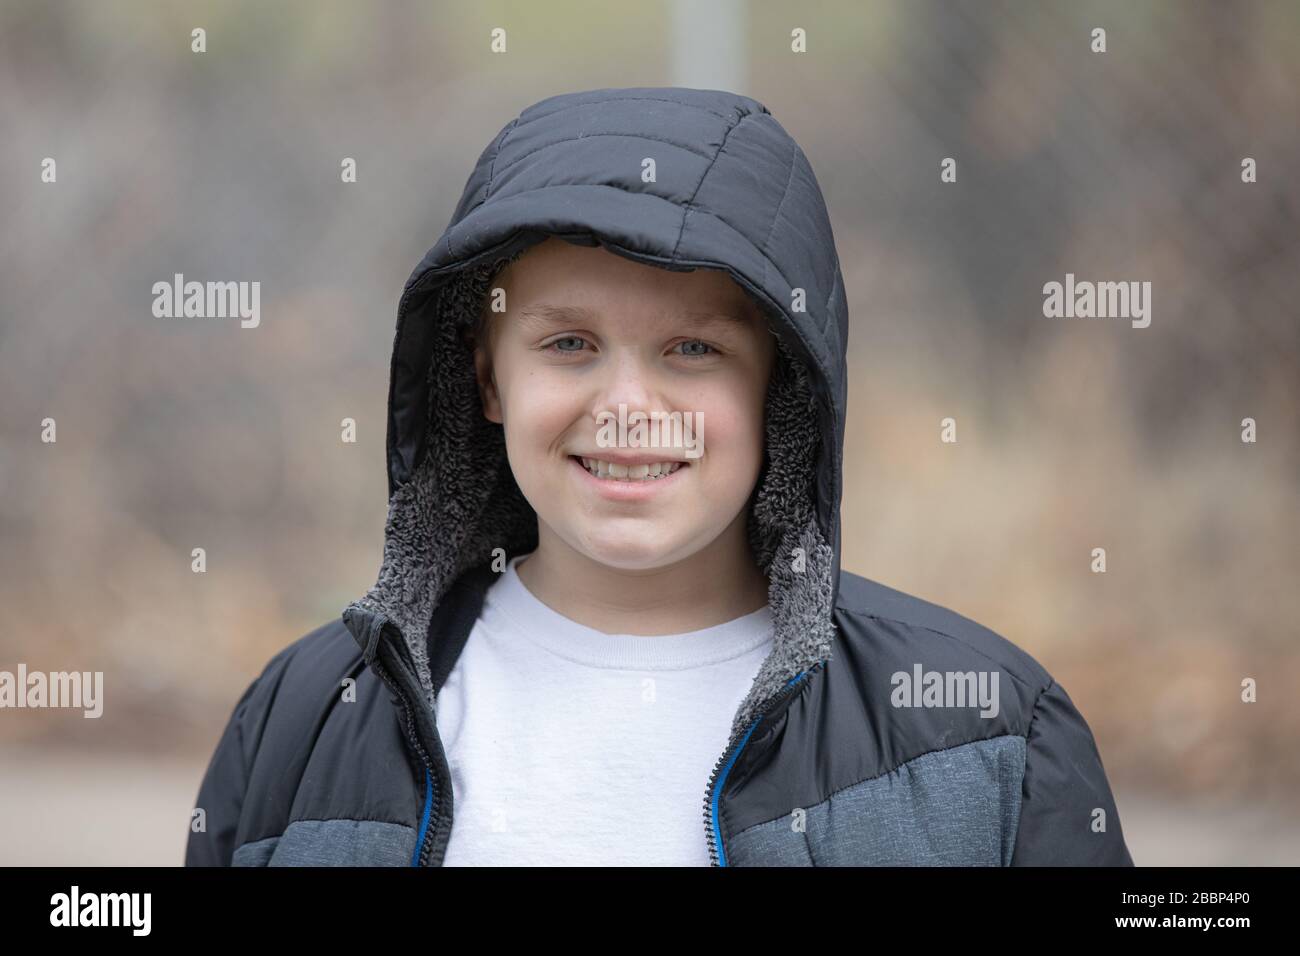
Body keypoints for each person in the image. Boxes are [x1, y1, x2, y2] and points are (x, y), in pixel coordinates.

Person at [186, 86, 1133, 866]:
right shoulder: (308, 716)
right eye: (568, 343)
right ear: (484, 378)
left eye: (692, 348)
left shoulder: (989, 731)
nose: (629, 406)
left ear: (782, 387)